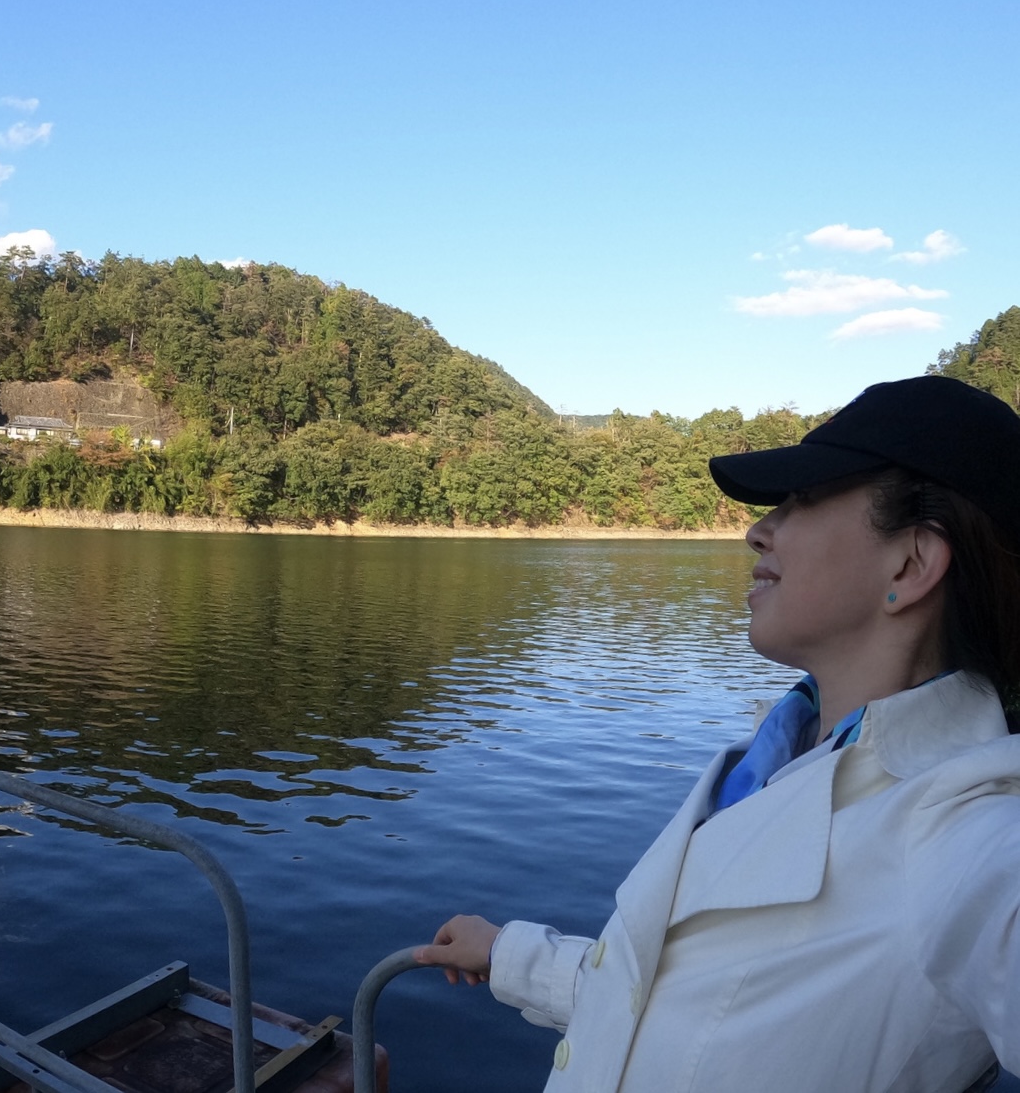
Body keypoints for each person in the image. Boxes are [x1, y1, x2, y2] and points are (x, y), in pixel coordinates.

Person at [414, 376, 1020, 1092]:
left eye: (800, 499)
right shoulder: (778, 759)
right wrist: (511, 954)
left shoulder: (968, 829)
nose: (756, 529)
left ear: (910, 564)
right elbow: (681, 1008)